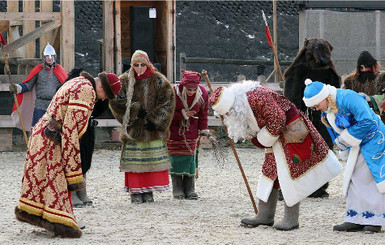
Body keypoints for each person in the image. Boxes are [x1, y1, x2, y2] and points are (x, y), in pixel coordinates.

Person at [209, 80, 341, 231]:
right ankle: (265, 215)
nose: (227, 115)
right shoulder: (242, 102)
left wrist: (261, 140)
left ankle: (291, 219)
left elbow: (278, 118)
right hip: (276, 134)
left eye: (227, 113)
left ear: (233, 107)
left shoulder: (257, 97)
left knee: (290, 173)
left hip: (292, 130)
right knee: (270, 170)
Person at [14, 71, 122, 238]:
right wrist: (72, 164)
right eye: (106, 95)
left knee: (44, 181)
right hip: (52, 140)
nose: (102, 99)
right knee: (58, 182)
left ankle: (44, 219)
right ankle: (62, 222)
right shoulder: (87, 91)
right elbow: (71, 129)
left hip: (42, 134)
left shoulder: (78, 81)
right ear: (101, 86)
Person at [303, 79, 385, 233]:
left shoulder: (348, 97)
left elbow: (367, 120)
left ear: (323, 97)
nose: (315, 108)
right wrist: (343, 143)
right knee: (353, 176)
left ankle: (374, 219)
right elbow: (338, 131)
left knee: (370, 177)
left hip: (374, 138)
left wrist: (345, 140)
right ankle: (355, 217)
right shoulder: (329, 109)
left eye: (315, 104)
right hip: (357, 142)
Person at [109, 50, 175, 204]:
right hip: (134, 129)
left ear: (148, 64)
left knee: (151, 160)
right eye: (136, 65)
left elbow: (168, 101)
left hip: (153, 130)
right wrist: (134, 111)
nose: (139, 68)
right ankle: (135, 192)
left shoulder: (159, 80)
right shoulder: (124, 80)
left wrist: (155, 120)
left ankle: (149, 190)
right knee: (135, 161)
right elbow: (114, 101)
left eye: (142, 65)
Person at [167, 70, 209, 199]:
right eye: (188, 89)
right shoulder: (173, 93)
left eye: (193, 89)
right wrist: (183, 114)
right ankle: (177, 188)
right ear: (183, 85)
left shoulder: (203, 94)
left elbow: (203, 113)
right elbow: (166, 113)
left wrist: (203, 129)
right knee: (175, 159)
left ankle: (190, 188)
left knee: (190, 159)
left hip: (192, 130)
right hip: (174, 131)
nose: (191, 92)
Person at [9, 43, 68, 130]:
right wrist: (17, 88)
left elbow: (66, 87)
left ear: (54, 57)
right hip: (40, 105)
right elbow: (28, 85)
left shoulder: (60, 70)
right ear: (44, 57)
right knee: (38, 131)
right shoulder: (38, 69)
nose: (50, 57)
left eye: (52, 55)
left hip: (55, 105)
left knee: (54, 131)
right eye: (47, 56)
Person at [343, 51, 385, 120]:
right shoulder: (350, 82)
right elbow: (343, 100)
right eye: (362, 67)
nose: (365, 70)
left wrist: (371, 99)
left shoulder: (382, 79)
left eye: (367, 66)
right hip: (358, 122)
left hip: (379, 123)